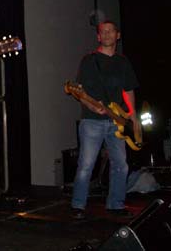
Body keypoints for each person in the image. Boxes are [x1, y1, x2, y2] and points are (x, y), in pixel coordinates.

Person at [71, 20, 140, 220]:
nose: (107, 34)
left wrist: (133, 114)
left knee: (121, 165)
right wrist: (93, 106)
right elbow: (79, 92)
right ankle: (78, 205)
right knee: (86, 164)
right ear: (99, 37)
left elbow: (128, 89)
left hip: (117, 121)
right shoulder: (89, 60)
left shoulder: (123, 62)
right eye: (103, 32)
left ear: (117, 35)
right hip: (92, 121)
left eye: (111, 31)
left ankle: (116, 204)